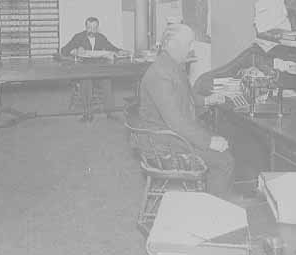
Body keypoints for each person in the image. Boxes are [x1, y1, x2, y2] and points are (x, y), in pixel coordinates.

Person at [138, 23, 235, 199]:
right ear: (172, 44)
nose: (191, 49)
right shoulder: (160, 74)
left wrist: (207, 100)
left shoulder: (171, 65)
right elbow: (176, 121)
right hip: (164, 144)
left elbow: (186, 96)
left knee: (221, 140)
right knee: (224, 160)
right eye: (188, 44)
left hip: (169, 134)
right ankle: (213, 215)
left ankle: (208, 202)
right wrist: (208, 142)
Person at [61, 17, 126, 121]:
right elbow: (64, 50)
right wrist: (76, 50)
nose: (92, 30)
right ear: (85, 27)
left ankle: (109, 112)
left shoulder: (101, 37)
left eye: (94, 28)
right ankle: (88, 114)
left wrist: (120, 51)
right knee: (86, 81)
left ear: (97, 28)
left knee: (107, 81)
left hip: (99, 71)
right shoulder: (78, 37)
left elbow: (111, 47)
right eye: (89, 27)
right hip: (83, 71)